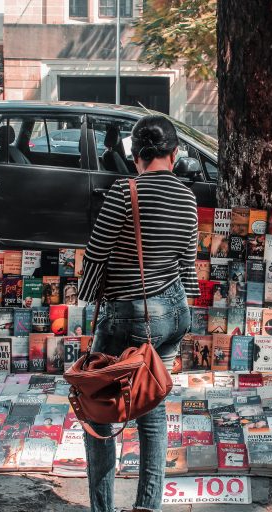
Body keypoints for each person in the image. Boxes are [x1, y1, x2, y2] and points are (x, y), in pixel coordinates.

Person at [77, 114, 198, 512]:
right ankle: (148, 506)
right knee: (152, 405)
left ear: (136, 157)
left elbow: (95, 254)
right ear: (175, 153)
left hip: (128, 315)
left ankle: (103, 508)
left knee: (99, 406)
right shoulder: (187, 197)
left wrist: (87, 298)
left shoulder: (123, 192)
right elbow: (186, 264)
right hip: (172, 314)